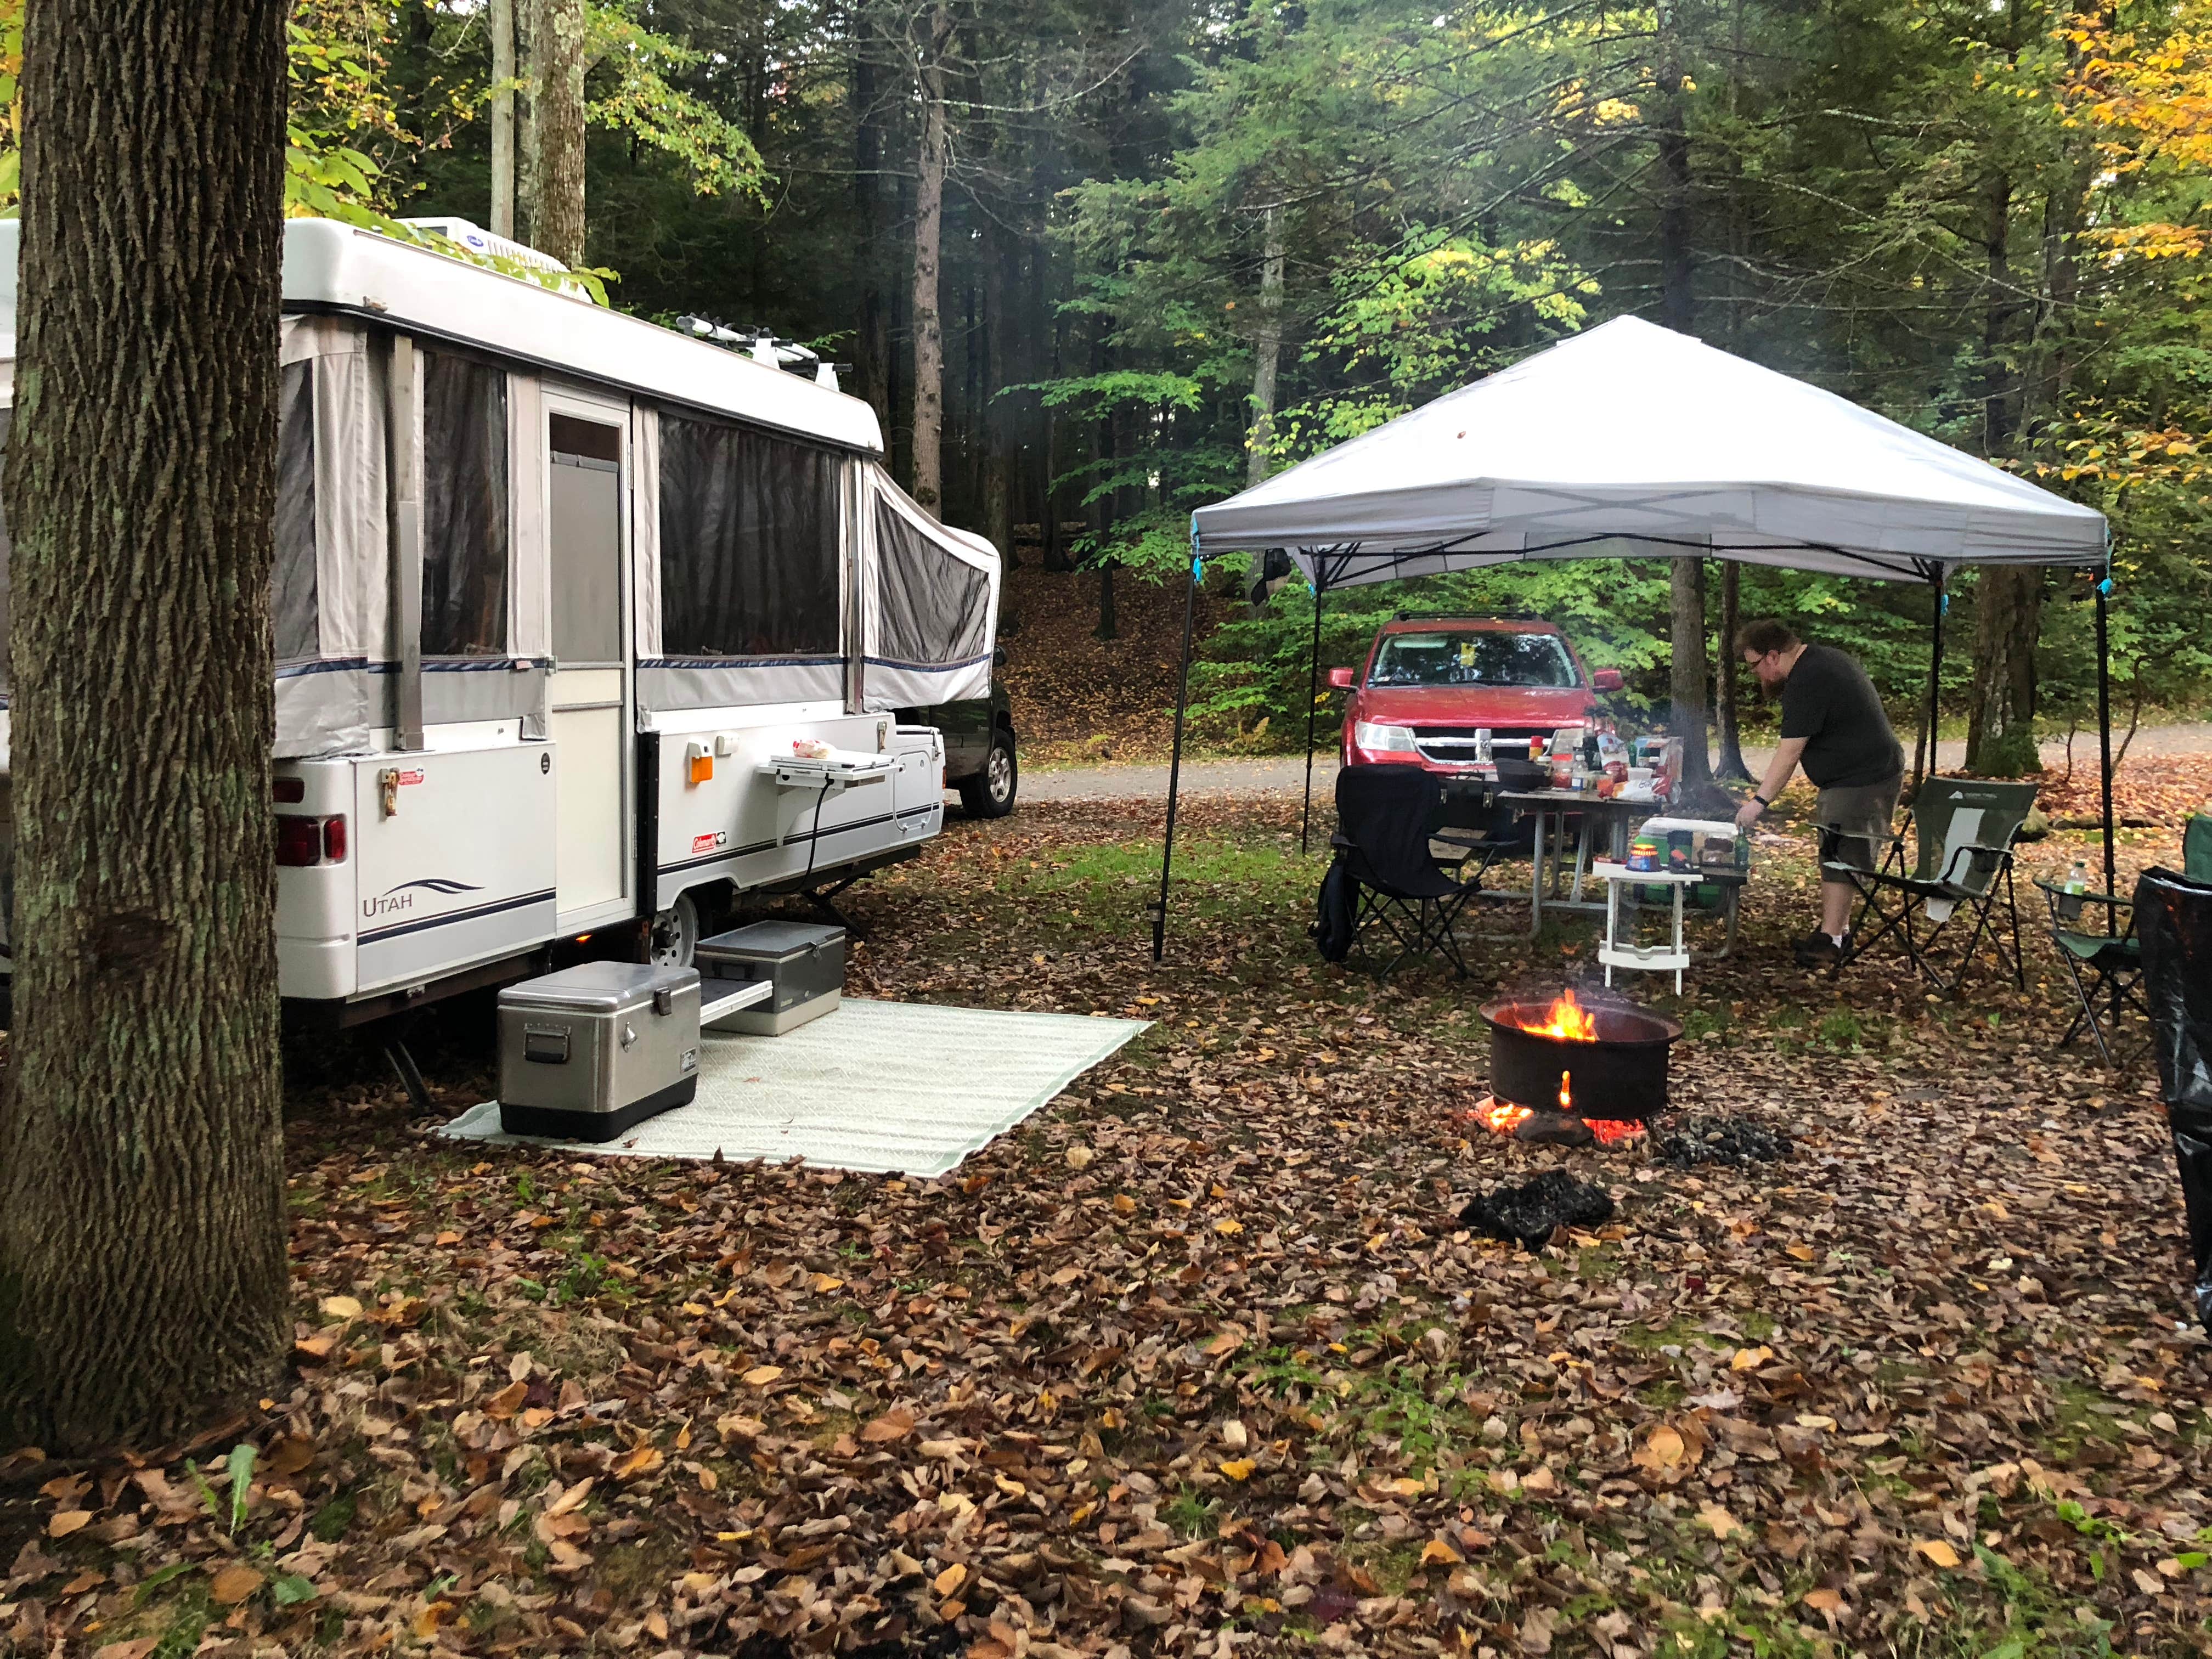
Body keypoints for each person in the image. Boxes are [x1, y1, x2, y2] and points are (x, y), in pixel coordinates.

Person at [1731, 619, 1904, 967]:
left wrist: (1759, 802)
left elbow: (1790, 751)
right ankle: (1832, 932)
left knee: (1842, 851)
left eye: (1755, 666)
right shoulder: (1824, 661)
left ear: (1773, 656)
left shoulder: (1808, 679)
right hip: (1858, 775)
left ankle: (1832, 941)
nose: (1758, 676)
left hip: (1862, 778)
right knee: (1834, 847)